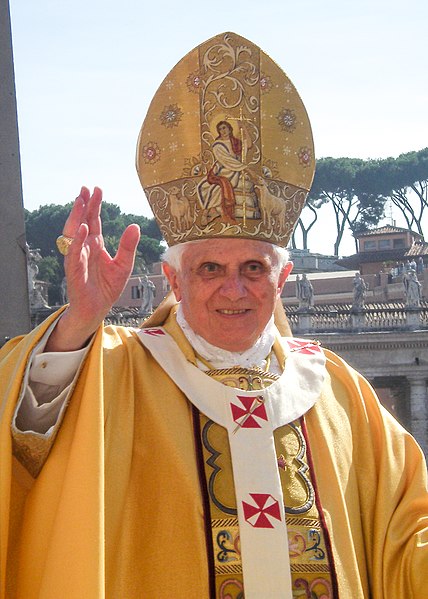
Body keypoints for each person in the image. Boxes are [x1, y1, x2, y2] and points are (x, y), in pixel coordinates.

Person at [1, 31, 428, 599]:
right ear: (172, 281)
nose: (235, 288)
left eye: (254, 267)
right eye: (208, 269)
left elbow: (406, 534)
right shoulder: (113, 373)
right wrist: (78, 321)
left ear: (282, 280)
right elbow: (24, 446)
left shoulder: (338, 390)